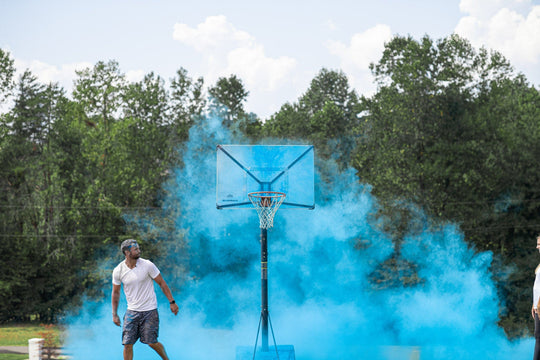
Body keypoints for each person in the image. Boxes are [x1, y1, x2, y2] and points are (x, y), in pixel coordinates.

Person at [112, 239, 179, 360]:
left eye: (138, 248)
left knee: (151, 342)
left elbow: (162, 283)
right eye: (135, 249)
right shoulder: (118, 270)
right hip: (131, 311)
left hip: (150, 311)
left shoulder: (147, 265)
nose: (139, 251)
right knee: (127, 344)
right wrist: (114, 314)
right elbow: (115, 293)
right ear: (127, 252)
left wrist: (172, 302)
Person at [532, 235, 540, 360]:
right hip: (538, 306)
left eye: (539, 244)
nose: (537, 246)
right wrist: (533, 305)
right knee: (538, 336)